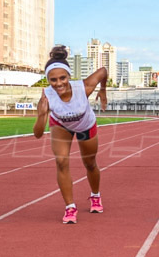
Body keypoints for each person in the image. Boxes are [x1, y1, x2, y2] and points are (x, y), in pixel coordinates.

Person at [33, 46, 108, 224]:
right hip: (61, 125)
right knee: (61, 161)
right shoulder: (47, 97)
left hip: (85, 125)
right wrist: (42, 115)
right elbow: (37, 134)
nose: (58, 83)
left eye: (62, 78)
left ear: (69, 76)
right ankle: (70, 207)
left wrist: (103, 89)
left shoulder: (84, 87)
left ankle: (95, 195)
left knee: (90, 163)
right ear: (48, 80)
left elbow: (103, 71)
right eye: (53, 80)